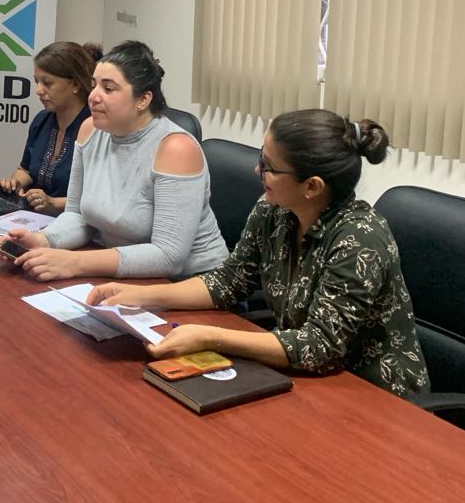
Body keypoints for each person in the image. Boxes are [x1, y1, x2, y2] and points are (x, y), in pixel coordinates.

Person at [87, 110, 431, 398]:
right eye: (260, 159)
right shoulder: (273, 210)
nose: (257, 171)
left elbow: (319, 346)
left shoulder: (359, 238)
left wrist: (211, 337)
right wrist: (141, 296)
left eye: (269, 166)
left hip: (373, 395)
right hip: (304, 378)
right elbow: (228, 282)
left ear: (312, 186)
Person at [0, 40, 228, 280]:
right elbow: (78, 216)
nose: (93, 96)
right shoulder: (90, 130)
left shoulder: (176, 149)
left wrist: (74, 262)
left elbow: (169, 256)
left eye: (108, 88)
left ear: (143, 100)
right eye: (94, 85)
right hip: (125, 271)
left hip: (193, 282)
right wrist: (44, 240)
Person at [0, 41, 102, 215]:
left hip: (76, 223)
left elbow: (100, 199)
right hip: (33, 217)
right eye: (37, 81)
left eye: (47, 83)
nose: (38, 90)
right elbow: (26, 169)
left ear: (75, 85)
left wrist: (55, 203)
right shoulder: (42, 120)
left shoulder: (98, 129)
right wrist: (15, 183)